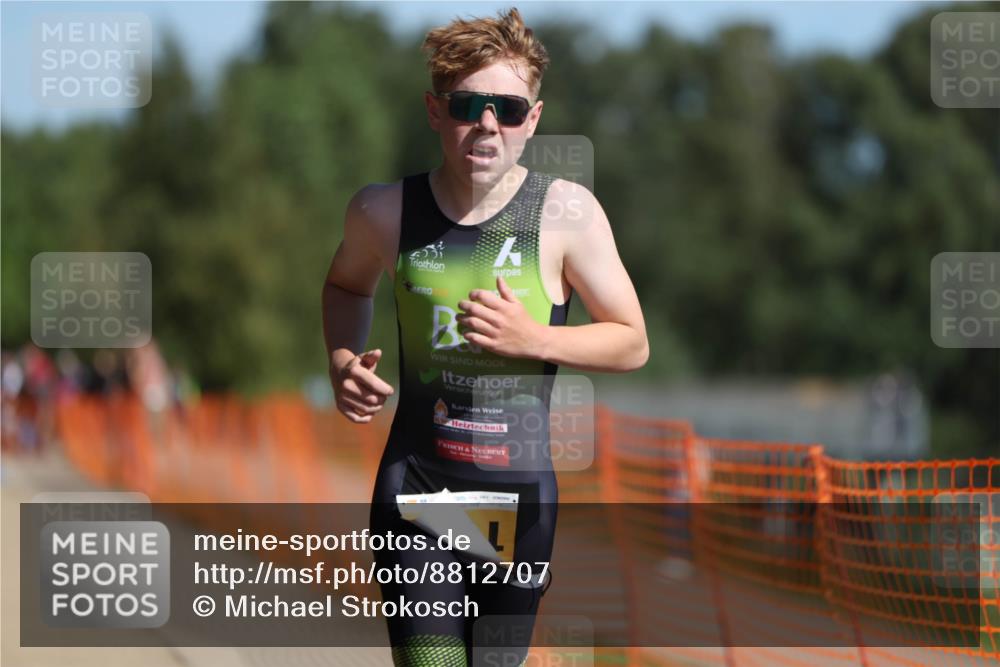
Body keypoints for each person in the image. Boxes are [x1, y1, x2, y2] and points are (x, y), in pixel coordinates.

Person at [322, 8, 648, 665]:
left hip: (518, 504)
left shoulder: (566, 215)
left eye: (508, 106)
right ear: (435, 110)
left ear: (533, 117)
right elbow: (346, 287)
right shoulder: (382, 212)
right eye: (469, 104)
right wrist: (342, 360)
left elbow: (632, 340)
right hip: (417, 489)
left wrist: (537, 338)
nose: (488, 123)